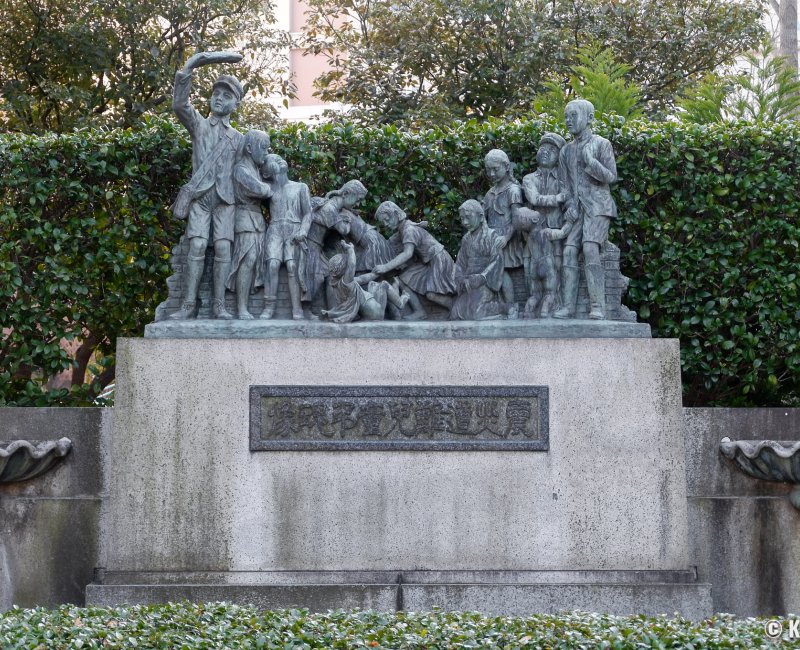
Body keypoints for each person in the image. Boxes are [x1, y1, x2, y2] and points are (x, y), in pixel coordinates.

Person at [169, 51, 245, 320]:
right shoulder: (199, 125)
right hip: (200, 199)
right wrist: (190, 65)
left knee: (224, 249)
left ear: (236, 104)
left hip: (225, 200)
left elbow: (246, 173)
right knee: (198, 247)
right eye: (216, 93)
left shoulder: (239, 138)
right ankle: (188, 305)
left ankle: (219, 305)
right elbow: (179, 105)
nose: (219, 98)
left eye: (226, 96)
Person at [555, 99, 618, 320]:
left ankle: (597, 305)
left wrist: (591, 162)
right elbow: (565, 184)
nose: (568, 120)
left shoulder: (602, 144)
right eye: (566, 116)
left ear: (589, 118)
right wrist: (570, 205)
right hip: (578, 210)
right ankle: (568, 306)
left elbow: (611, 177)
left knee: (590, 248)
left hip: (599, 207)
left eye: (573, 115)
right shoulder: (565, 151)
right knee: (569, 251)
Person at [365, 201, 456, 320]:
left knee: (432, 295)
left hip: (439, 260)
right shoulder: (402, 230)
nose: (386, 224)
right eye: (383, 222)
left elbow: (407, 253)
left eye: (387, 220)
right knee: (403, 279)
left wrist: (386, 267)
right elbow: (388, 244)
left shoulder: (409, 230)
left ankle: (454, 308)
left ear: (396, 214)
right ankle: (420, 311)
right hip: (427, 262)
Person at [293, 183, 363, 316]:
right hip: (311, 247)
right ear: (346, 194)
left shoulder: (333, 207)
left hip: (317, 247)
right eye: (357, 199)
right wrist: (347, 220)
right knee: (316, 278)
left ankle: (332, 309)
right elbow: (344, 230)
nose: (358, 204)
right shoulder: (330, 209)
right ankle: (307, 311)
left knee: (328, 275)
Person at [225, 130, 272, 319]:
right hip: (244, 220)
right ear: (250, 148)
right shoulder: (240, 170)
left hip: (257, 222)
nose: (267, 153)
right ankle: (242, 308)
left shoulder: (256, 170)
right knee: (247, 260)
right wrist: (270, 188)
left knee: (255, 262)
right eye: (264, 148)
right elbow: (260, 189)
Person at [260, 154, 312, 320]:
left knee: (292, 266)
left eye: (280, 158)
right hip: (275, 228)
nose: (280, 160)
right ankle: (269, 308)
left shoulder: (300, 187)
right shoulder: (267, 189)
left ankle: (297, 308)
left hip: (294, 228)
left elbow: (308, 213)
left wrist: (303, 230)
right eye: (274, 160)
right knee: (272, 265)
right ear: (267, 172)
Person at [522, 133, 568, 306]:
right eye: (542, 148)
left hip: (557, 230)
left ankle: (556, 302)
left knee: (557, 265)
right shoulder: (529, 178)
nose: (546, 152)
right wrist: (558, 198)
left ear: (559, 156)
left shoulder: (564, 179)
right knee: (532, 269)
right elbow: (534, 199)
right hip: (534, 234)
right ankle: (534, 299)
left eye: (552, 149)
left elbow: (569, 202)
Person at [482, 149, 528, 319]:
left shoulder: (513, 190)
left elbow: (518, 219)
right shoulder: (490, 193)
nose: (492, 174)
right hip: (493, 240)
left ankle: (512, 306)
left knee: (501, 271)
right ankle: (501, 305)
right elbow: (484, 219)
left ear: (507, 167)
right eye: (488, 170)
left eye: (495, 169)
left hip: (508, 239)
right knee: (494, 272)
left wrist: (506, 238)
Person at [321, 241, 409, 323]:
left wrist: (376, 273)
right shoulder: (346, 283)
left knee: (372, 284)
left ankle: (395, 290)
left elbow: (363, 278)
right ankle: (401, 302)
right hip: (376, 313)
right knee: (384, 285)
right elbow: (352, 265)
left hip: (369, 313)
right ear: (345, 269)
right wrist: (350, 250)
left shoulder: (336, 283)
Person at [514, 207, 577, 318]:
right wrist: (570, 222)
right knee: (550, 293)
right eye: (531, 212)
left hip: (534, 267)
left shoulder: (529, 238)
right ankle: (544, 311)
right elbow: (562, 233)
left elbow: (527, 258)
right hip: (546, 265)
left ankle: (528, 311)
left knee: (535, 295)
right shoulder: (546, 233)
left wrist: (528, 273)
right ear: (534, 220)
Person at [449, 199, 505, 321]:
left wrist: (482, 277)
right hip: (469, 283)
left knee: (476, 313)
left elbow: (497, 260)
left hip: (485, 283)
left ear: (480, 217)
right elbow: (460, 263)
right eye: (462, 218)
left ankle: (502, 307)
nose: (464, 222)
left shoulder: (491, 236)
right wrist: (461, 278)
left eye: (468, 218)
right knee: (455, 312)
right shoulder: (466, 239)